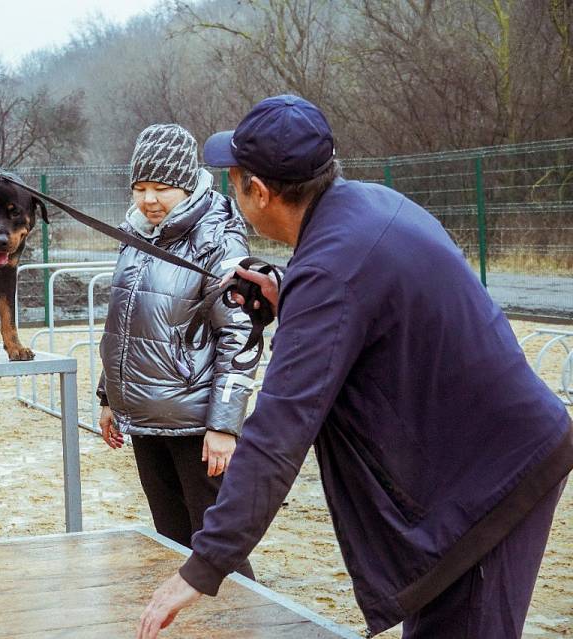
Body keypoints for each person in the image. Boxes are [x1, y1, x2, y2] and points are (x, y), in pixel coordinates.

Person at [136, 96, 573, 639]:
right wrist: (285, 297)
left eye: (234, 180)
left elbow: (277, 434)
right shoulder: (364, 206)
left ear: (261, 193)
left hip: (493, 480)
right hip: (479, 455)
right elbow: (369, 311)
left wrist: (204, 567)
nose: (230, 191)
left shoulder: (329, 272)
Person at [97, 123, 255, 580]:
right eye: (140, 188)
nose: (148, 200)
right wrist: (109, 396)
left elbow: (239, 334)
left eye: (161, 188)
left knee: (216, 546)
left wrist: (224, 425)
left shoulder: (217, 238)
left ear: (187, 185)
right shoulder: (137, 234)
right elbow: (125, 322)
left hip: (195, 422)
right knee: (169, 541)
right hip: (146, 417)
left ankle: (241, 623)